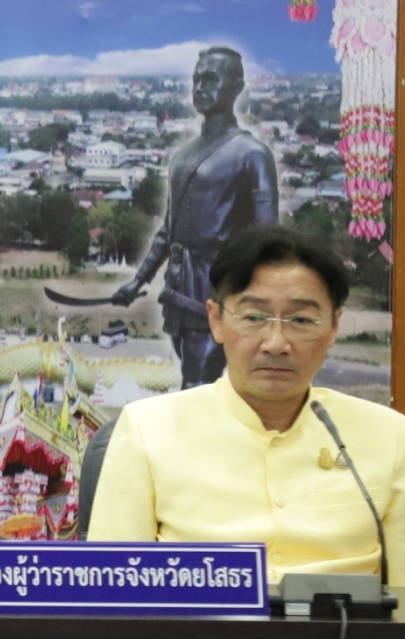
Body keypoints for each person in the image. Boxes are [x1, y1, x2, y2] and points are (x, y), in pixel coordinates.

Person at [87, 225, 405, 586]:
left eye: (301, 320)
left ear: (333, 328)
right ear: (216, 320)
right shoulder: (147, 430)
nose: (276, 343)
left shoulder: (383, 434)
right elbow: (112, 597)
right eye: (254, 318)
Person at [110, 46, 280, 388]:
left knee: (195, 386)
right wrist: (139, 281)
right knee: (195, 386)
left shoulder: (252, 156)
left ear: (235, 88)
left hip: (217, 295)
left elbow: (267, 242)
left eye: (211, 79)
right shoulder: (184, 157)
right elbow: (167, 232)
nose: (200, 87)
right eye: (196, 79)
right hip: (178, 294)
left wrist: (248, 304)